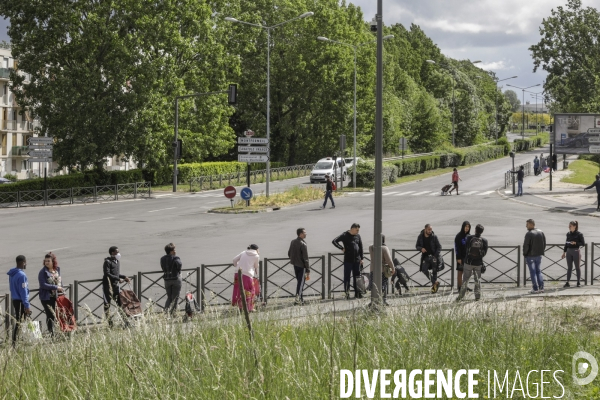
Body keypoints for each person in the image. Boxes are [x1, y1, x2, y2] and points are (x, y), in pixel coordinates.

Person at [332, 223, 364, 299]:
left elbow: (361, 247)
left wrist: (362, 258)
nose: (358, 232)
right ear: (352, 229)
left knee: (357, 277)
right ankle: (347, 294)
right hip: (348, 260)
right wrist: (341, 248)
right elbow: (334, 241)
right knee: (347, 277)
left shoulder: (358, 236)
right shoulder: (344, 235)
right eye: (357, 230)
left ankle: (358, 293)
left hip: (357, 260)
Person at [456, 224, 488, 301]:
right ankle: (477, 297)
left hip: (468, 262)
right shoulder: (484, 240)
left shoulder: (469, 238)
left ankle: (461, 296)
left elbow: (466, 248)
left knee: (465, 280)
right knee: (477, 280)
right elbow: (484, 252)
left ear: (475, 230)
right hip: (478, 263)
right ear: (482, 232)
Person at [102, 246, 130, 326]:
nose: (118, 254)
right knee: (107, 305)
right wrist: (118, 279)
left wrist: (124, 277)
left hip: (115, 286)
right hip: (107, 286)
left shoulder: (117, 261)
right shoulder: (107, 262)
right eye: (117, 252)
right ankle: (110, 323)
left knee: (120, 303)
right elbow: (107, 273)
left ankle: (125, 322)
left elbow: (116, 273)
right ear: (112, 253)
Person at [38, 252, 63, 336]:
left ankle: (58, 331)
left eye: (48, 261)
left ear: (53, 261)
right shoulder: (43, 272)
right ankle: (51, 332)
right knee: (50, 315)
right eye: (45, 261)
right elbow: (43, 285)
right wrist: (55, 287)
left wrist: (61, 289)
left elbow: (59, 281)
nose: (47, 263)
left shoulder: (57, 269)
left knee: (57, 314)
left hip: (56, 296)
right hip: (46, 297)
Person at [8, 255, 30, 344]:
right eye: (26, 262)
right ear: (23, 262)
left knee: (18, 320)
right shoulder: (22, 275)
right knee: (20, 321)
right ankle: (15, 341)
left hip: (15, 299)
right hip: (21, 301)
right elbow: (23, 291)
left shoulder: (12, 273)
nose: (26, 264)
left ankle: (16, 341)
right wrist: (27, 305)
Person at [232, 244, 260, 312]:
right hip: (247, 275)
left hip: (237, 273)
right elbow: (256, 265)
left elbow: (234, 260)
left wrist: (237, 266)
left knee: (238, 289)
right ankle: (249, 308)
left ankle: (240, 306)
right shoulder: (256, 256)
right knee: (250, 291)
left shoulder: (244, 252)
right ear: (256, 249)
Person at [368, 234, 395, 306]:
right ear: (383, 240)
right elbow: (389, 260)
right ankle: (383, 301)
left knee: (373, 285)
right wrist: (393, 268)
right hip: (382, 270)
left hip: (373, 269)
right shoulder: (384, 248)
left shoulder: (371, 247)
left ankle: (373, 300)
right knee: (383, 285)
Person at [416, 224, 442, 293]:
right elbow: (417, 246)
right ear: (425, 229)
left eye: (431, 230)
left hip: (434, 257)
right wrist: (421, 248)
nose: (430, 231)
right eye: (429, 230)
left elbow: (439, 247)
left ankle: (434, 289)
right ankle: (435, 282)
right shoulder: (420, 237)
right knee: (424, 269)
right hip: (426, 257)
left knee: (434, 272)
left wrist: (435, 256)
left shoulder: (434, 237)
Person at [523, 219, 546, 294]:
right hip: (539, 255)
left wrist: (525, 254)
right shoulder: (541, 232)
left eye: (527, 224)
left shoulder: (529, 234)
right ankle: (541, 288)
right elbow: (544, 243)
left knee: (532, 272)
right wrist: (541, 251)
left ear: (531, 224)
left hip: (530, 255)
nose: (526, 226)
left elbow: (526, 245)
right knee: (538, 271)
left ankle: (535, 288)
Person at [288, 228, 310, 305]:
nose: (306, 234)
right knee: (301, 284)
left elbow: (289, 253)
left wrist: (293, 260)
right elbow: (305, 258)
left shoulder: (293, 242)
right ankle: (298, 300)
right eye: (304, 232)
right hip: (302, 266)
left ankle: (300, 299)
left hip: (295, 265)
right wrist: (308, 269)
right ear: (300, 234)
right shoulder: (303, 244)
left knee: (299, 283)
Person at [160, 243, 182, 316]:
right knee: (175, 298)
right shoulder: (175, 258)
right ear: (171, 251)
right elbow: (179, 265)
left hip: (166, 279)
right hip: (176, 279)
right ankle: (173, 314)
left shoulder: (162, 259)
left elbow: (162, 267)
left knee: (169, 297)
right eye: (174, 249)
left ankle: (165, 313)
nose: (175, 251)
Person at [562, 221, 585, 288]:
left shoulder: (579, 234)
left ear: (574, 226)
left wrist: (576, 243)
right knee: (569, 267)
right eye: (569, 226)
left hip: (576, 250)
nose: (569, 227)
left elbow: (582, 243)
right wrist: (564, 252)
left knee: (577, 267)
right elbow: (566, 243)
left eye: (570, 226)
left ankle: (578, 282)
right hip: (569, 251)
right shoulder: (568, 234)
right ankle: (567, 282)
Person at [454, 221, 471, 292]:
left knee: (467, 273)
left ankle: (465, 286)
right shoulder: (458, 236)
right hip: (460, 257)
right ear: (463, 227)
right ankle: (460, 287)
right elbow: (456, 247)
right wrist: (458, 257)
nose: (467, 228)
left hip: (467, 257)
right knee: (460, 272)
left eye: (468, 227)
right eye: (466, 226)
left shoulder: (469, 236)